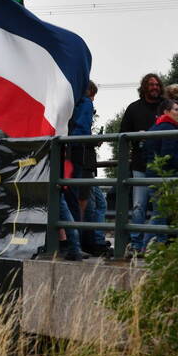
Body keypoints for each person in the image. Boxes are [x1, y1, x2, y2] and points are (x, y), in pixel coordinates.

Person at [120, 73, 164, 252]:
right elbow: (123, 134)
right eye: (151, 85)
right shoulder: (134, 108)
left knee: (160, 206)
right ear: (144, 87)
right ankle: (136, 244)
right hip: (140, 164)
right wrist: (137, 136)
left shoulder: (165, 107)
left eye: (157, 85)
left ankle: (155, 244)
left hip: (161, 164)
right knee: (139, 206)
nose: (154, 87)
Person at [68, 81, 107, 255]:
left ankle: (87, 241)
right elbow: (81, 131)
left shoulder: (74, 104)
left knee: (90, 203)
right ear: (89, 92)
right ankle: (83, 242)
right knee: (83, 203)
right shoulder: (86, 104)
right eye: (93, 95)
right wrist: (90, 140)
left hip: (79, 157)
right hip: (82, 158)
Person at [141, 98, 178, 249]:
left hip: (151, 174)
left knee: (159, 213)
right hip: (163, 176)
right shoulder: (170, 129)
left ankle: (149, 246)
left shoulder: (154, 127)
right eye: (176, 109)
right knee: (162, 214)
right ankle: (145, 246)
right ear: (167, 112)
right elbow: (168, 156)